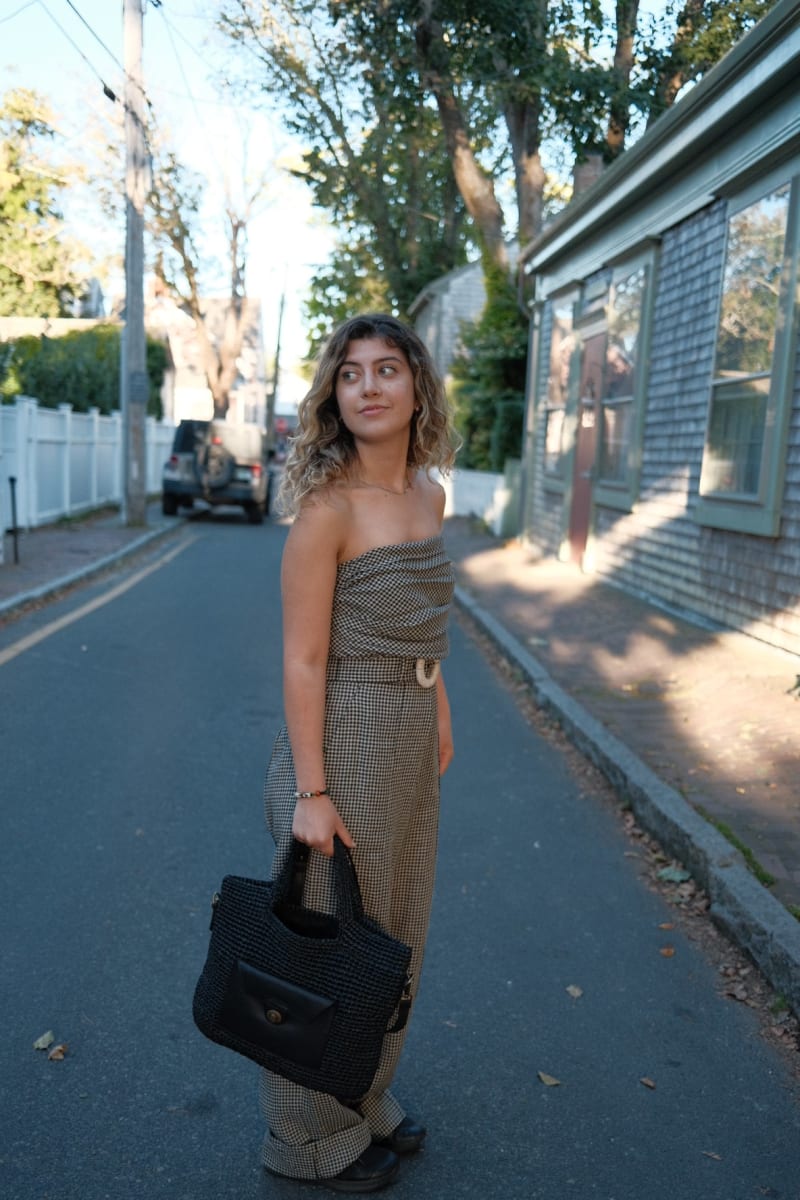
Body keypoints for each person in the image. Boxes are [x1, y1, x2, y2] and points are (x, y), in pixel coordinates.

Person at [260, 314, 459, 1192]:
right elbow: (304, 659)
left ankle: (363, 1095)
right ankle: (304, 1137)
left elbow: (425, 620)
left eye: (386, 369)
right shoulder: (327, 511)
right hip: (345, 737)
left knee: (396, 933)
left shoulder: (428, 495)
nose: (368, 386)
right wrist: (311, 792)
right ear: (333, 397)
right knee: (330, 944)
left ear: (417, 387)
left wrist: (439, 705)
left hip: (411, 733)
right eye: (350, 373)